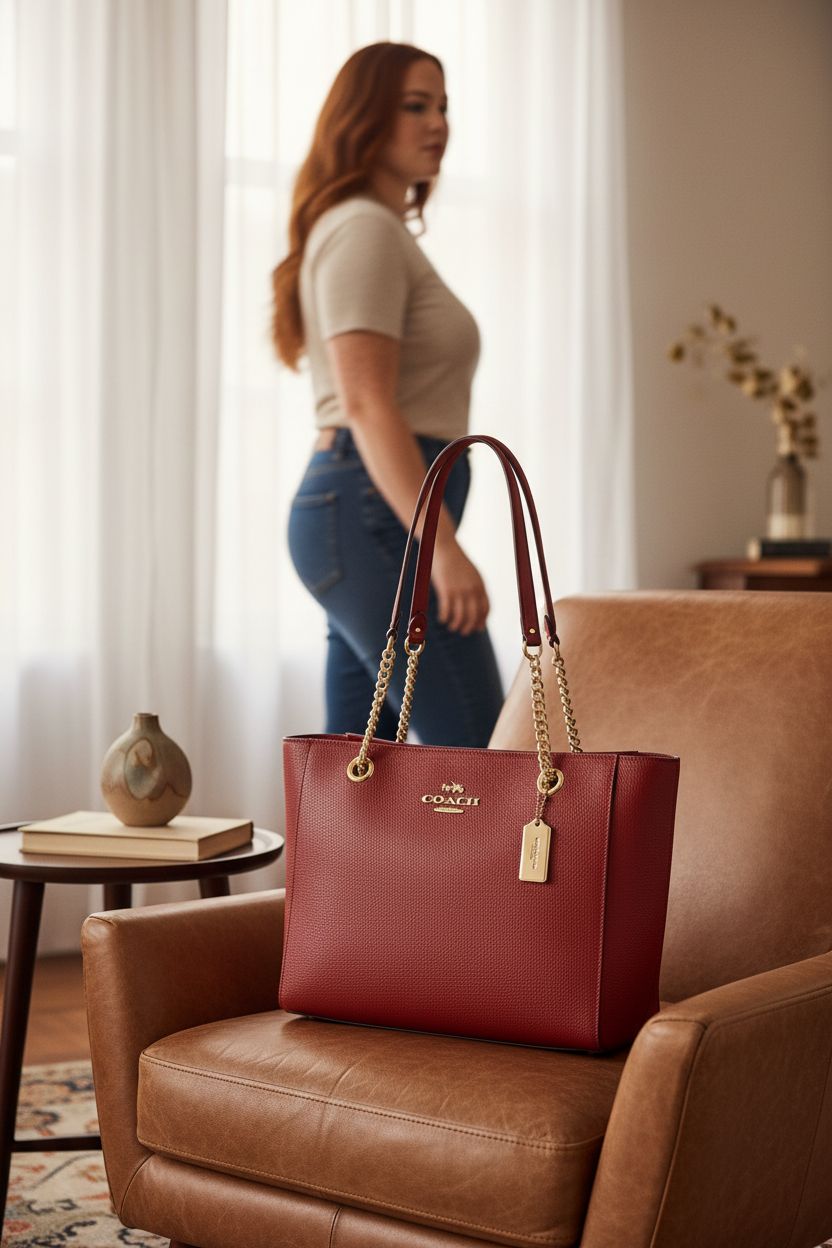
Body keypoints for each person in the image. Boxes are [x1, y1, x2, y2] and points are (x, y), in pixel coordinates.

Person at [272, 41, 503, 747]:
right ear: (363, 118)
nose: (437, 123)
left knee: (360, 761)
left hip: (370, 515)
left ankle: (339, 837)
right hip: (375, 517)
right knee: (480, 750)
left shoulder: (372, 229)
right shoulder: (363, 230)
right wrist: (444, 550)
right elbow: (367, 403)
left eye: (443, 106)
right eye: (414, 105)